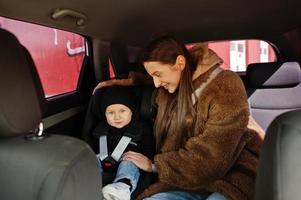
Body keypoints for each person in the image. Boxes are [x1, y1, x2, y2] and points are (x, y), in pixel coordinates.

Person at [116, 36, 263, 200]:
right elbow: (152, 82)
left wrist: (155, 166)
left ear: (179, 63)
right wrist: (122, 83)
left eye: (158, 74)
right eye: (152, 77)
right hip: (185, 179)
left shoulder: (225, 85)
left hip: (231, 177)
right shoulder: (170, 88)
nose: (156, 83)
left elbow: (211, 159)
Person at [92, 86, 155, 200]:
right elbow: (94, 150)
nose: (117, 116)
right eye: (111, 112)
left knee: (129, 163)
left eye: (122, 111)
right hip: (105, 162)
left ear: (132, 111)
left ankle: (122, 188)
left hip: (130, 163)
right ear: (104, 114)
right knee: (90, 159)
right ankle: (86, 182)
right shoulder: (100, 130)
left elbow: (149, 152)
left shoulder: (142, 128)